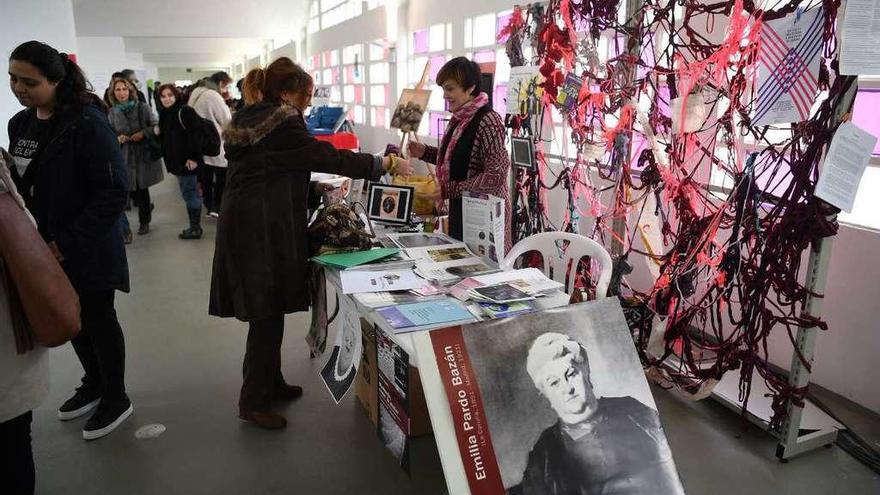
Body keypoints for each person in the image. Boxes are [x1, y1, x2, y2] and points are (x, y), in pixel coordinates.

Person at [209, 57, 413, 430]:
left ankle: (270, 382)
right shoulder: (283, 124)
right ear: (286, 92)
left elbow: (269, 171)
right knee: (265, 314)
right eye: (304, 94)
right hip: (260, 229)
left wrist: (311, 190)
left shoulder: (254, 118)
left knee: (267, 309)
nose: (307, 102)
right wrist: (381, 164)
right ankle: (253, 401)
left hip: (251, 222)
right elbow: (325, 156)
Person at [7, 40, 132, 441]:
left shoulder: (86, 122)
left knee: (97, 317)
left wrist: (66, 242)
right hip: (42, 247)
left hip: (86, 245)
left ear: (56, 81)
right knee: (70, 319)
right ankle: (93, 382)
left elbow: (114, 191)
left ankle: (116, 395)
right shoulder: (20, 124)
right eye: (12, 78)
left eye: (30, 82)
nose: (19, 88)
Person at [518, 332, 682, 495]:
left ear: (586, 370)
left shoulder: (634, 411)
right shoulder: (543, 455)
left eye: (571, 374)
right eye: (554, 382)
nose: (567, 388)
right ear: (544, 392)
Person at [407, 57, 511, 250]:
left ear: (470, 87)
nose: (445, 95)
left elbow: (496, 176)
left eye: (450, 88)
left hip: (484, 217)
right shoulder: (459, 119)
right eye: (443, 89)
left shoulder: (489, 121)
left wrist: (451, 190)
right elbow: (458, 157)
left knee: (482, 274)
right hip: (463, 210)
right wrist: (425, 152)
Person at [107, 77, 164, 236]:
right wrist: (117, 138)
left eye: (124, 89)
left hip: (142, 155)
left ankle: (144, 222)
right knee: (127, 190)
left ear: (130, 91)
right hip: (124, 156)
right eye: (118, 90)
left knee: (142, 190)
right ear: (113, 93)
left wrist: (143, 133)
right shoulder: (112, 112)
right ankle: (126, 228)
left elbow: (155, 126)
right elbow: (109, 133)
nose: (122, 93)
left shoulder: (142, 107)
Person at [156, 83, 205, 239]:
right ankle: (194, 227)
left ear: (176, 95)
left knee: (190, 193)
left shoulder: (185, 111)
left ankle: (195, 228)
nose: (167, 99)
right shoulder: (165, 113)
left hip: (187, 162)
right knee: (188, 193)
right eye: (163, 96)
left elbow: (195, 136)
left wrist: (193, 157)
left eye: (170, 95)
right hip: (176, 162)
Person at [189, 71, 232, 217]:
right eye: (226, 86)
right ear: (221, 83)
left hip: (200, 143)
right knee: (222, 175)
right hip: (215, 142)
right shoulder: (213, 95)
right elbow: (227, 120)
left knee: (205, 178)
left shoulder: (197, 91)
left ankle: (209, 205)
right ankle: (218, 207)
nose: (226, 90)